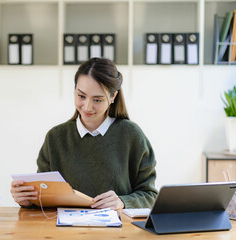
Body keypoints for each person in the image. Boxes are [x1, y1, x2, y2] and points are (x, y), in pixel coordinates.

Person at [11, 57, 157, 210]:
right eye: (81, 96)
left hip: (118, 231)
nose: (87, 107)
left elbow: (150, 195)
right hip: (65, 231)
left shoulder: (131, 135)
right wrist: (27, 200)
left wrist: (122, 202)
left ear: (113, 97)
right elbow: (44, 196)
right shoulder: (55, 138)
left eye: (97, 100)